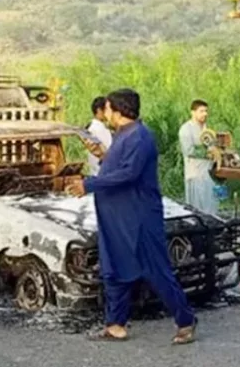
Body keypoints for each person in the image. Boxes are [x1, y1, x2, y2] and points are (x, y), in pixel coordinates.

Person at [67, 89, 196, 344]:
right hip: (116, 218)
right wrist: (103, 156)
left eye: (107, 109)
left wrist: (89, 185)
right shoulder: (123, 136)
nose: (106, 115)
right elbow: (117, 167)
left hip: (138, 218)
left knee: (155, 270)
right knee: (114, 269)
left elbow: (129, 174)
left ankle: (186, 320)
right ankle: (115, 324)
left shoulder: (140, 137)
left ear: (117, 111)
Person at [178, 99, 219, 215]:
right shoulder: (186, 129)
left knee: (212, 203)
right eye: (201, 111)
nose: (205, 114)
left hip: (209, 172)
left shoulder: (207, 129)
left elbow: (213, 146)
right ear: (193, 112)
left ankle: (214, 226)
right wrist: (209, 153)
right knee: (196, 207)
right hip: (195, 173)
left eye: (206, 111)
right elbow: (189, 151)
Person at [81, 96, 113, 176]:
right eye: (106, 109)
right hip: (101, 171)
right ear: (99, 111)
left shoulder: (97, 127)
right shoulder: (97, 128)